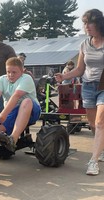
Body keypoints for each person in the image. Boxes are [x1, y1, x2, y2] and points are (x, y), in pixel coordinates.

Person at [55, 9, 104, 176]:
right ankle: (102, 148)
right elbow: (80, 69)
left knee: (99, 122)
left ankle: (93, 162)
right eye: (84, 23)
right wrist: (64, 76)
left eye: (89, 22)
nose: (86, 26)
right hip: (88, 86)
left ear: (98, 23)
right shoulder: (84, 44)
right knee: (92, 124)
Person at [0, 57, 41, 152]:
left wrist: (3, 115)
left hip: (31, 110)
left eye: (14, 72)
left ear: (22, 71)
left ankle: (13, 139)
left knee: (26, 101)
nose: (10, 75)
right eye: (8, 72)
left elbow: (16, 95)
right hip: (12, 112)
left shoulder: (26, 78)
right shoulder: (2, 79)